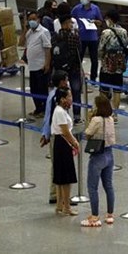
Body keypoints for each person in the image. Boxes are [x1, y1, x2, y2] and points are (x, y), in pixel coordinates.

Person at [81, 95, 116, 227]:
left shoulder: (96, 119)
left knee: (92, 187)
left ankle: (95, 216)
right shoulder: (110, 119)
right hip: (109, 154)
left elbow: (88, 133)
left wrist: (89, 119)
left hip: (97, 156)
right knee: (108, 185)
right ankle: (110, 214)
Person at [40, 70, 69, 204]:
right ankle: (55, 194)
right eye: (65, 79)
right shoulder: (54, 97)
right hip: (57, 135)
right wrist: (46, 134)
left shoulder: (59, 95)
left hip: (59, 133)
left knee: (59, 165)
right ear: (61, 81)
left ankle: (59, 195)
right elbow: (49, 116)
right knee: (57, 165)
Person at [50, 87, 79, 216]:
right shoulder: (60, 112)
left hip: (60, 143)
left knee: (60, 176)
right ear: (62, 99)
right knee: (65, 178)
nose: (71, 99)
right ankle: (66, 206)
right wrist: (74, 142)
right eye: (69, 97)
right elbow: (65, 131)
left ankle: (59, 206)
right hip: (63, 143)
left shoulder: (59, 111)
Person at [19, 10, 52, 119]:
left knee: (42, 89)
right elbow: (20, 43)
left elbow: (48, 48)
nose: (32, 21)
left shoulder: (44, 31)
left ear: (39, 19)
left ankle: (44, 109)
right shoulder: (29, 32)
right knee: (34, 89)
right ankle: (38, 108)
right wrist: (24, 29)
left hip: (41, 65)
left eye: (34, 19)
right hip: (32, 66)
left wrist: (47, 64)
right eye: (30, 20)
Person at [98, 9, 128, 122]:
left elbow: (101, 49)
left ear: (109, 19)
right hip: (119, 64)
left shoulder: (106, 32)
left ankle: (105, 113)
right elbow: (125, 45)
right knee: (117, 91)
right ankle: (115, 114)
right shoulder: (123, 31)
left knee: (104, 90)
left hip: (107, 64)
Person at [53, 15, 84, 125]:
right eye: (70, 23)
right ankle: (77, 117)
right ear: (66, 23)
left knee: (61, 92)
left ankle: (62, 115)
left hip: (60, 69)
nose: (72, 25)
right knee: (76, 92)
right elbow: (79, 52)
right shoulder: (74, 36)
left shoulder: (55, 36)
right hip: (74, 68)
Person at [71, 0, 103, 83]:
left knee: (94, 59)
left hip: (93, 37)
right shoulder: (76, 9)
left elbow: (100, 22)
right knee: (78, 59)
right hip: (81, 37)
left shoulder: (95, 9)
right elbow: (71, 20)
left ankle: (93, 79)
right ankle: (78, 77)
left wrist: (96, 22)